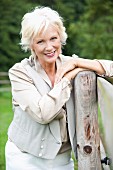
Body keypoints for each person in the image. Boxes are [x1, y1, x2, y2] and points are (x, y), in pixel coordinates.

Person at [5, 6, 113, 170]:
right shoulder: (19, 73)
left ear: (61, 38)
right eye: (40, 41)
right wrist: (67, 79)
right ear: (31, 45)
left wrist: (79, 64)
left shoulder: (69, 63)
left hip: (62, 159)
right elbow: (43, 114)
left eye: (53, 38)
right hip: (24, 158)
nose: (49, 47)